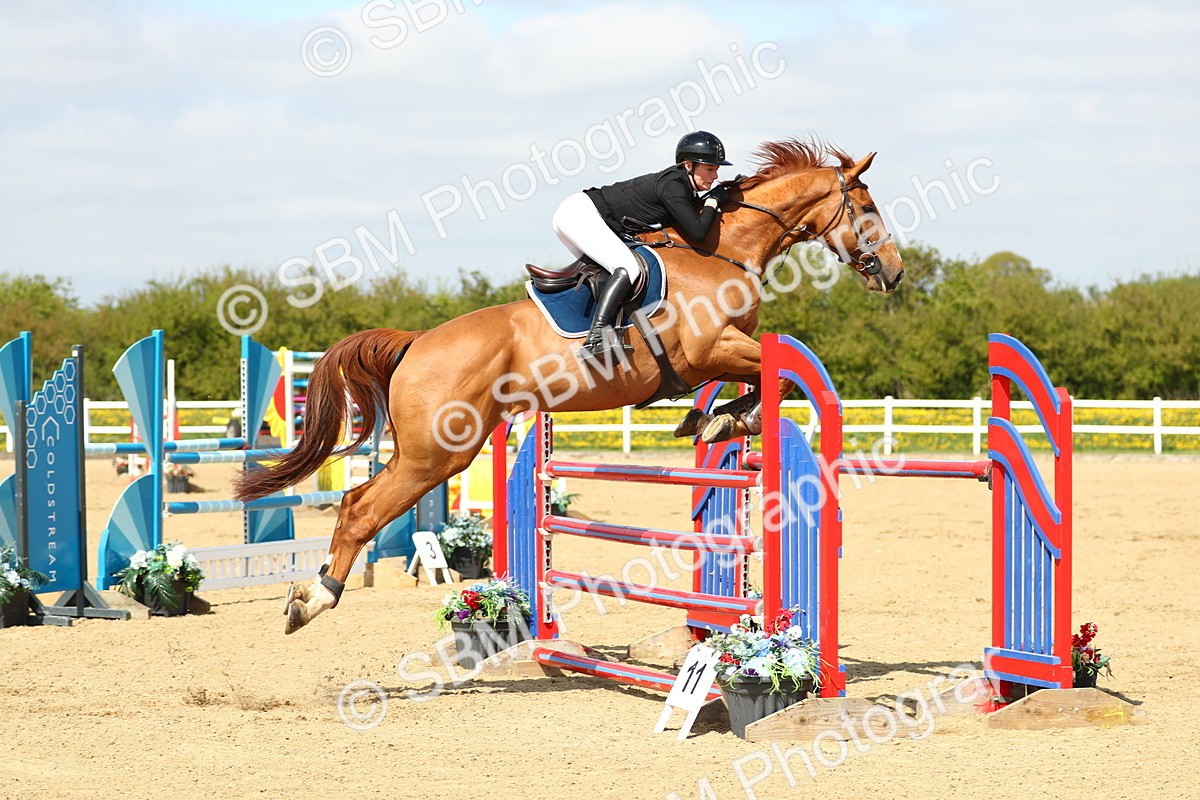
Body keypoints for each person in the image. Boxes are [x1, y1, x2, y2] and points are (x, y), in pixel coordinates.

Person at [553, 130, 733, 360]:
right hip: (579, 215)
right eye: (710, 168)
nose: (715, 175)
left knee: (611, 272)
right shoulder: (674, 185)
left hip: (580, 215)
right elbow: (697, 232)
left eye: (717, 169)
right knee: (628, 267)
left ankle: (599, 330)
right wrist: (714, 200)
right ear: (689, 165)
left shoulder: (681, 185)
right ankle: (596, 337)